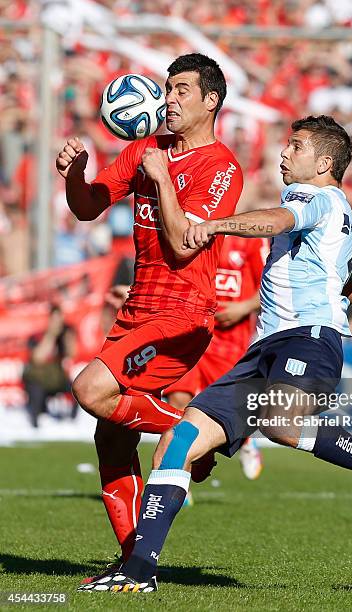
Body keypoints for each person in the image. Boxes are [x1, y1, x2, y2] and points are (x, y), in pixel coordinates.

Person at [80, 115, 352, 594]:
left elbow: (277, 220)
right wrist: (343, 297)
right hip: (265, 346)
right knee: (180, 440)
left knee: (280, 421)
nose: (285, 154)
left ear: (325, 162)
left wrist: (213, 225)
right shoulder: (342, 217)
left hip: (307, 338)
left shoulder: (319, 198)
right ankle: (139, 571)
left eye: (297, 146)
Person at [55, 54, 243, 574]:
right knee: (110, 434)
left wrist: (159, 179)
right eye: (167, 87)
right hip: (137, 308)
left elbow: (185, 246)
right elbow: (87, 207)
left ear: (211, 100)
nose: (170, 98)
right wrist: (75, 175)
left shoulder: (221, 166)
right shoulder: (142, 149)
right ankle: (133, 558)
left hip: (184, 311)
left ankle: (194, 436)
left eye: (182, 90)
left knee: (91, 389)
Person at [164, 234, 269, 482]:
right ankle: (177, 479)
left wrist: (243, 307)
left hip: (229, 341)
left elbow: (271, 284)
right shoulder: (191, 230)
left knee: (224, 410)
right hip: (189, 332)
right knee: (178, 401)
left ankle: (243, 438)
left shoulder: (250, 239)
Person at [22, 305, 76, 428]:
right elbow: (38, 358)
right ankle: (34, 426)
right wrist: (51, 334)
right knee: (37, 394)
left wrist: (69, 338)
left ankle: (72, 422)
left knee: (76, 389)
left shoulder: (63, 336)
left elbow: (71, 353)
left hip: (55, 378)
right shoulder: (37, 336)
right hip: (37, 378)